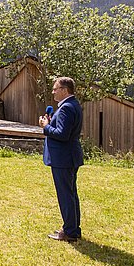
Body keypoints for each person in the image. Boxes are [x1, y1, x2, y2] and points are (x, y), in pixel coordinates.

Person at [39, 77, 84, 243]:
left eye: (55, 89)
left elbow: (62, 134)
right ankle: (72, 228)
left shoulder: (65, 108)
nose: (53, 92)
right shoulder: (73, 105)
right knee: (71, 195)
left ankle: (70, 232)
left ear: (65, 90)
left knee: (66, 195)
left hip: (63, 158)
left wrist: (46, 126)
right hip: (69, 157)